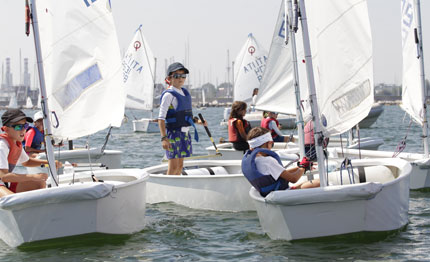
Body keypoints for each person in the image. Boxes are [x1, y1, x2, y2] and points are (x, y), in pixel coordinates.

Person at [242, 127, 319, 197]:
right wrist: (303, 166)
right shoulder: (268, 161)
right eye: (272, 144)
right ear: (268, 144)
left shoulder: (255, 161)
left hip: (271, 194)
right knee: (319, 182)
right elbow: (293, 179)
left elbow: (281, 173)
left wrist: (299, 167)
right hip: (283, 194)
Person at [0, 109, 62, 197]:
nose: (23, 130)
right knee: (11, 199)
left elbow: (27, 162)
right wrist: (33, 176)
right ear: (6, 129)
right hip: (3, 181)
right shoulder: (2, 145)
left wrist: (49, 163)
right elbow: (4, 176)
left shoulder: (16, 143)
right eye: (18, 127)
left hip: (5, 182)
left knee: (39, 183)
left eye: (25, 126)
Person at [158, 62, 206, 175]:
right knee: (173, 167)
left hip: (185, 133)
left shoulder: (184, 92)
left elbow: (186, 116)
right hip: (173, 134)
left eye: (183, 76)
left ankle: (176, 188)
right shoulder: (168, 95)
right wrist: (164, 138)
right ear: (169, 78)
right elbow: (161, 118)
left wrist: (198, 121)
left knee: (180, 166)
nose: (180, 78)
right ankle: (168, 189)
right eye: (176, 76)